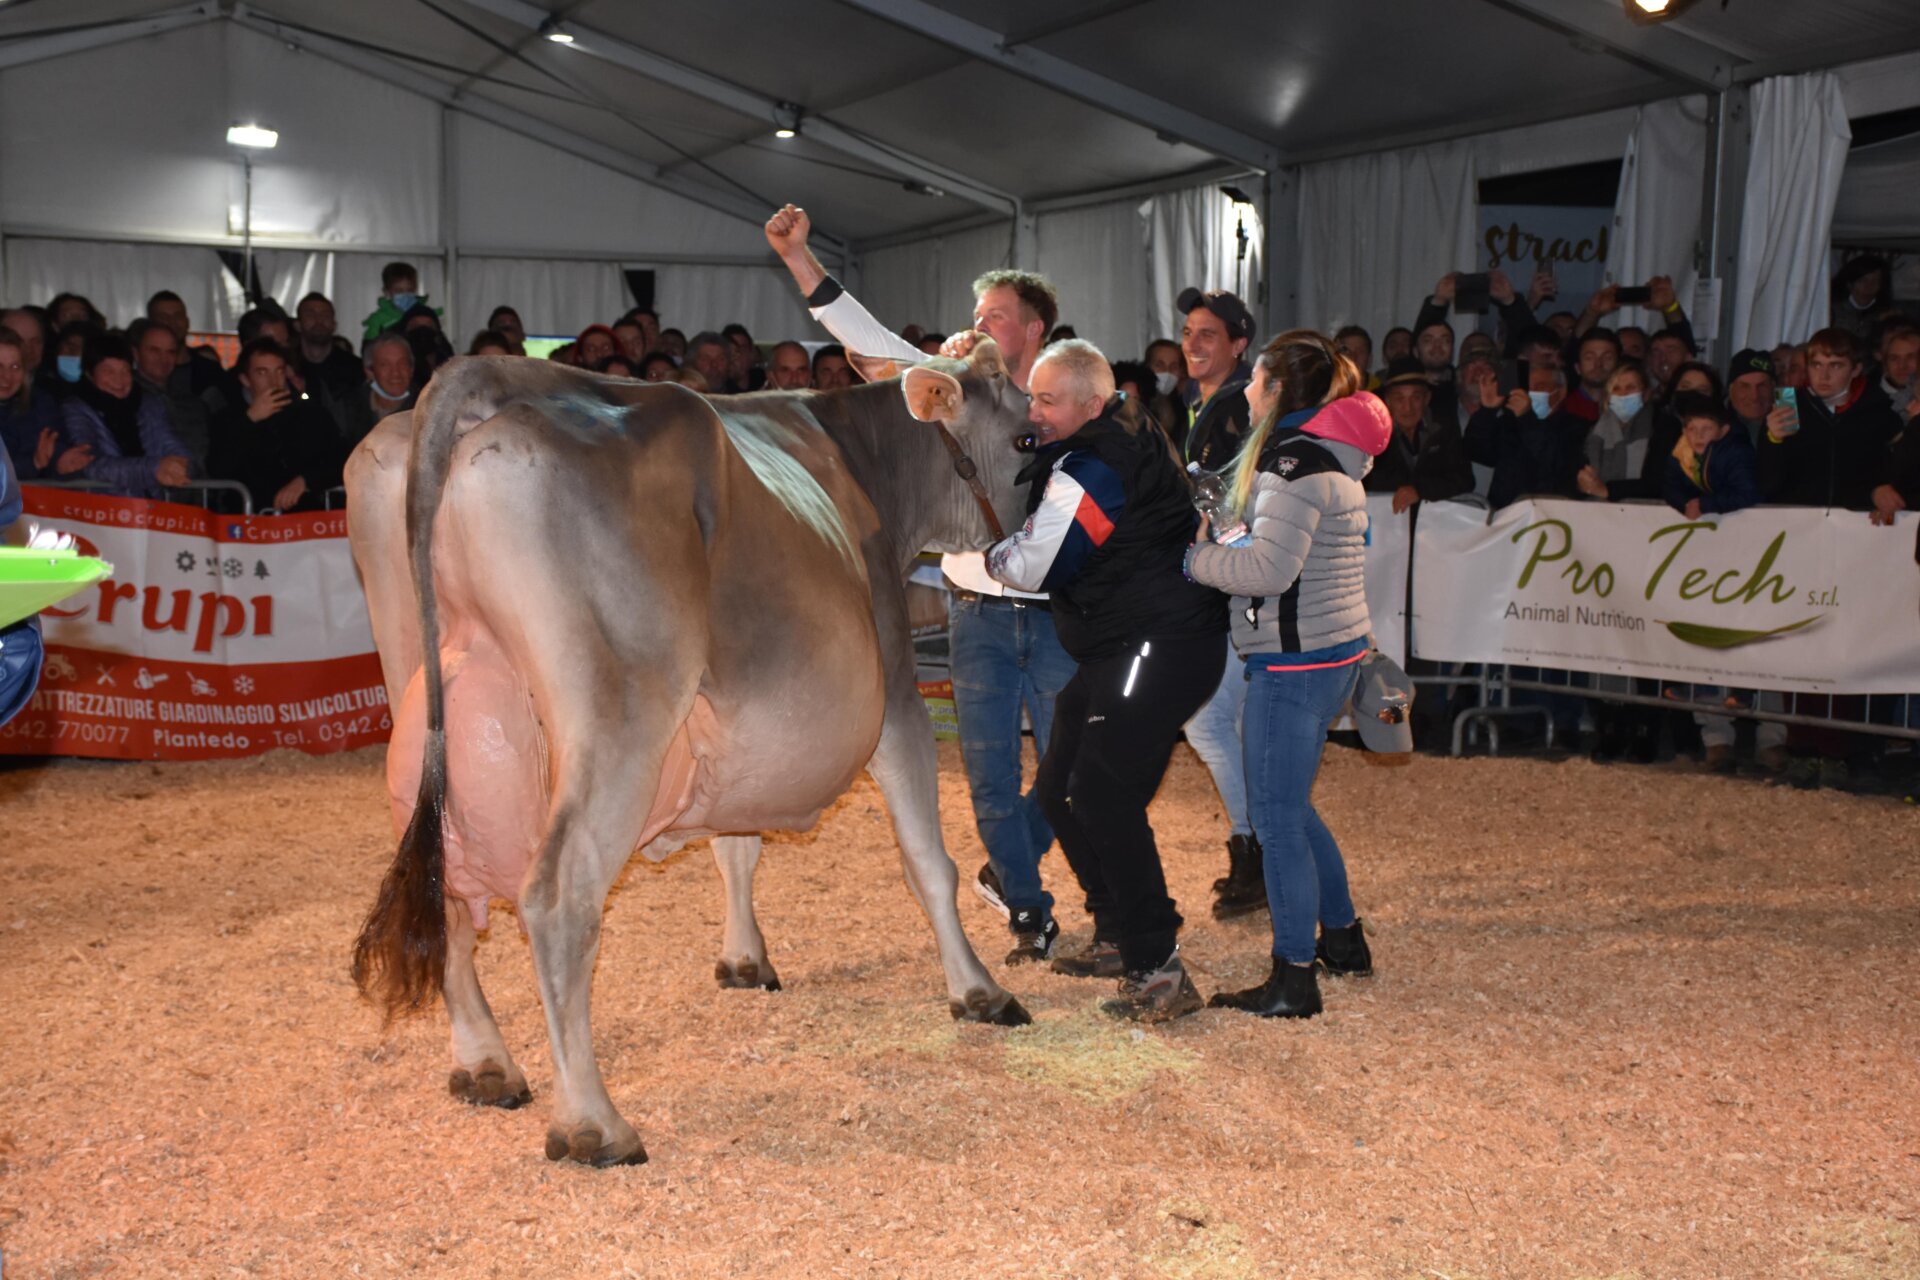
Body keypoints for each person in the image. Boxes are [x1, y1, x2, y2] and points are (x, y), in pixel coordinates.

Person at [766, 201, 1078, 965]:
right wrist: (799, 258)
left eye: (996, 317)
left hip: (1061, 614)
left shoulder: (1067, 402)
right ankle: (1029, 911)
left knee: (1075, 765)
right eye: (976, 313)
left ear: (1035, 330)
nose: (978, 326)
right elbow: (864, 339)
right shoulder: (950, 390)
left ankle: (1033, 872)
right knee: (991, 779)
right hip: (976, 614)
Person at [984, 339, 1227, 1021]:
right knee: (1061, 791)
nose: (1035, 410)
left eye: (1048, 399)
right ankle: (1120, 935)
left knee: (1099, 794)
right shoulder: (1114, 427)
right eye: (1033, 395)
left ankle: (1159, 970)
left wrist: (986, 555)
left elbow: (1034, 565)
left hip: (1157, 642)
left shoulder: (1096, 463)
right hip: (1125, 641)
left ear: (1091, 403)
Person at [1184, 330, 1390, 1019]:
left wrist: (1193, 562)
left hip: (1292, 659)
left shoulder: (1290, 464)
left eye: (1255, 378)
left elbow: (1272, 572)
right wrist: (1233, 536)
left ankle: (1293, 977)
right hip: (1332, 649)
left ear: (1275, 390)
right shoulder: (1330, 455)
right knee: (1292, 807)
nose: (1245, 388)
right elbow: (1289, 549)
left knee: (1274, 818)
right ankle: (1343, 940)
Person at [1757, 327, 1901, 511]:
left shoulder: (1879, 412)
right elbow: (1767, 485)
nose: (1823, 375)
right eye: (1816, 365)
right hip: (1797, 524)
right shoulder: (1788, 406)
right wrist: (1773, 441)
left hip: (1857, 524)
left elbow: (1894, 476)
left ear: (1856, 369)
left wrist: (1875, 492)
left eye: (1835, 365)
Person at [206, 339, 344, 513]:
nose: (273, 381)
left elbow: (340, 457)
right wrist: (249, 420)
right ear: (245, 379)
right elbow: (217, 468)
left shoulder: (311, 413)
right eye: (262, 373)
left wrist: (306, 480)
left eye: (279, 371)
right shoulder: (227, 418)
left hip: (304, 518)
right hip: (247, 520)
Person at [59, 333, 194, 499]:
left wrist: (181, 468)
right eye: (109, 371)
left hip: (151, 509)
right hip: (100, 510)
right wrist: (152, 469)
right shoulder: (75, 408)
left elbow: (174, 446)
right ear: (89, 373)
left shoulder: (148, 405)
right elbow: (89, 463)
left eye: (125, 371)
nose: (119, 380)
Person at [1366, 357, 1473, 512]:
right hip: (1386, 521)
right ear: (1388, 401)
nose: (1407, 407)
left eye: (1415, 397)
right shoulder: (1372, 435)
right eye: (1399, 399)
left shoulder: (1444, 428)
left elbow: (1464, 479)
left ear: (1427, 398)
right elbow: (1364, 480)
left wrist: (1420, 490)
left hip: (1435, 523)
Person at [127, 319, 211, 467]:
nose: (163, 359)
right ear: (136, 353)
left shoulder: (192, 403)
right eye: (154, 350)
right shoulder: (124, 397)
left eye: (170, 352)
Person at [0, 329, 68, 482]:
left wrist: (61, 461)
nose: (6, 376)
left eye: (15, 367)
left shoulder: (40, 403)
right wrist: (33, 464)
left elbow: (54, 447)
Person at [341, 332, 419, 449]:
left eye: (402, 364)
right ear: (370, 371)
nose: (396, 373)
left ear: (411, 369)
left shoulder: (426, 407)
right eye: (385, 365)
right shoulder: (347, 409)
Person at [293, 293, 364, 408]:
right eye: (310, 314)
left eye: (325, 315)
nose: (319, 320)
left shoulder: (354, 369)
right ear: (297, 325)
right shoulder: (287, 369)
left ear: (334, 325)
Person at [361, 261, 439, 345]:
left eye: (410, 290)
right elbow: (369, 350)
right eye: (399, 291)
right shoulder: (377, 320)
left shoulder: (425, 315)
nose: (405, 295)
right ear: (386, 292)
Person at [1725, 348, 1778, 446]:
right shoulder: (1713, 424)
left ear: (1773, 387)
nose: (1754, 396)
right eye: (1744, 386)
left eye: (1762, 386)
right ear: (1730, 390)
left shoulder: (1791, 422)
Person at [1333, 325, 1376, 390]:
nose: (1353, 356)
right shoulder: (1326, 390)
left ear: (1369, 358)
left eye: (1360, 351)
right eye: (1346, 351)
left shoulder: (1381, 390)